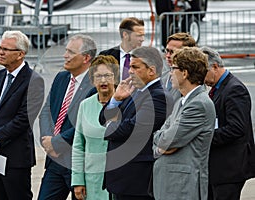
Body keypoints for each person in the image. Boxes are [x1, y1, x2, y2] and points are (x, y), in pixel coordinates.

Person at [0, 30, 44, 200]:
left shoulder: (34, 81)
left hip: (15, 159)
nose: (0, 52)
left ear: (20, 54)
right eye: (0, 47)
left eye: (6, 49)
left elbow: (23, 119)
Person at [99, 46, 174, 200]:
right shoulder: (135, 91)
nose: (130, 71)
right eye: (129, 67)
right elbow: (103, 118)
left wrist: (109, 126)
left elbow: (132, 128)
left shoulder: (158, 97)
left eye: (135, 67)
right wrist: (116, 99)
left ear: (151, 70)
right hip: (122, 178)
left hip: (137, 180)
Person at [38, 34, 97, 200]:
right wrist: (47, 140)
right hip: (54, 161)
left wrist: (56, 143)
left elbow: (86, 124)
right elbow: (46, 111)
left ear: (86, 57)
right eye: (66, 51)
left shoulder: (95, 85)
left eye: (71, 52)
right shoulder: (61, 77)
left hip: (78, 163)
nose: (65, 56)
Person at [153, 47, 216, 200]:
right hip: (172, 184)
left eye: (173, 68)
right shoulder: (182, 101)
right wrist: (160, 144)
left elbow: (165, 141)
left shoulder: (198, 104)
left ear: (185, 73)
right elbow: (159, 137)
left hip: (182, 187)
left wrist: (161, 143)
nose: (170, 73)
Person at [200, 46, 255, 200]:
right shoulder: (217, 88)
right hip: (219, 166)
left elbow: (237, 128)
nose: (201, 78)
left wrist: (204, 137)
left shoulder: (234, 89)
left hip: (230, 167)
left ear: (215, 67)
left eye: (203, 72)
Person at [71, 55, 119, 200]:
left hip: (120, 180)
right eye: (98, 76)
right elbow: (78, 146)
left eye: (107, 75)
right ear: (92, 80)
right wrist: (78, 180)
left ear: (115, 78)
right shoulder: (85, 105)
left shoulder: (127, 103)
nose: (103, 81)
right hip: (93, 181)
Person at [161, 32, 196, 101]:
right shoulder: (162, 77)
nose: (168, 55)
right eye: (167, 51)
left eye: (172, 52)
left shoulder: (191, 83)